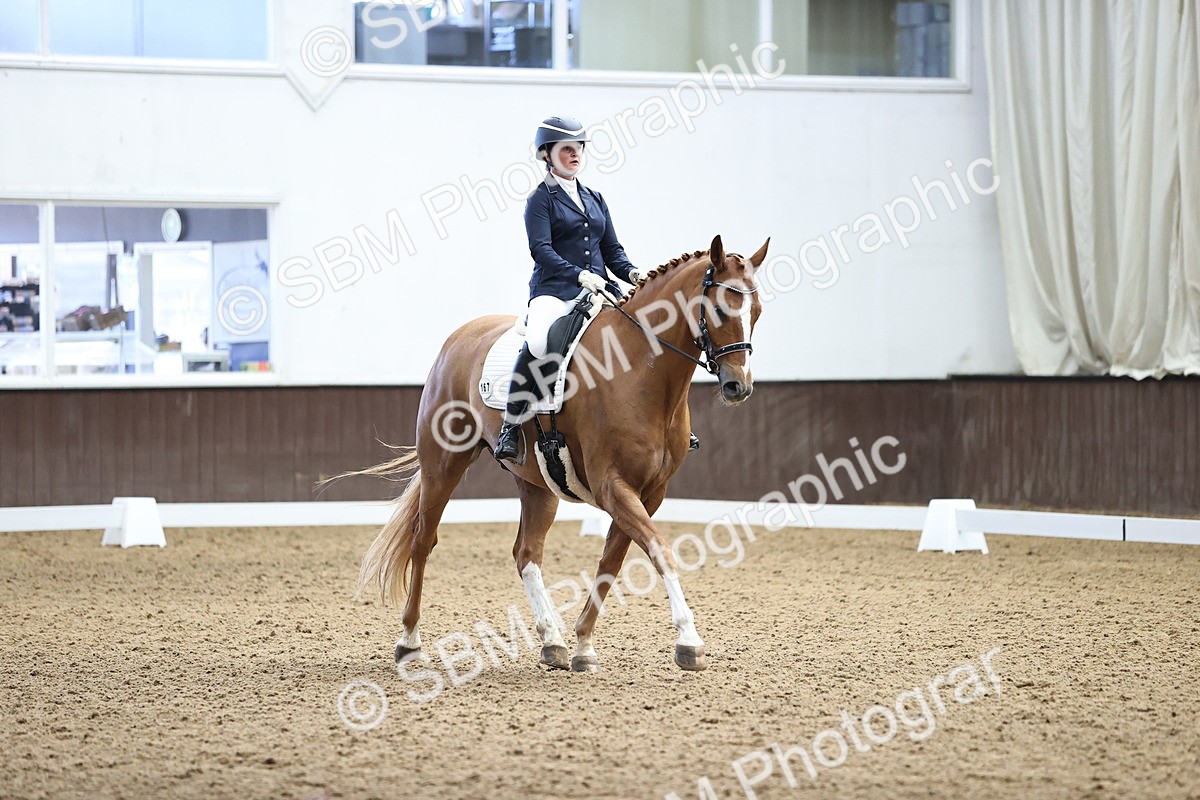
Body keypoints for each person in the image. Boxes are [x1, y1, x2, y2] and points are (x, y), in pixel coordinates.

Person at [493, 115, 644, 462]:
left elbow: (612, 251)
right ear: (547, 154)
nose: (574, 153)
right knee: (540, 340)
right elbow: (541, 250)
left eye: (578, 148)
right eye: (566, 149)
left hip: (599, 289)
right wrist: (579, 275)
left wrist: (633, 273)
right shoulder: (540, 199)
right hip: (555, 289)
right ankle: (511, 425)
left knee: (642, 329)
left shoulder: (595, 198)